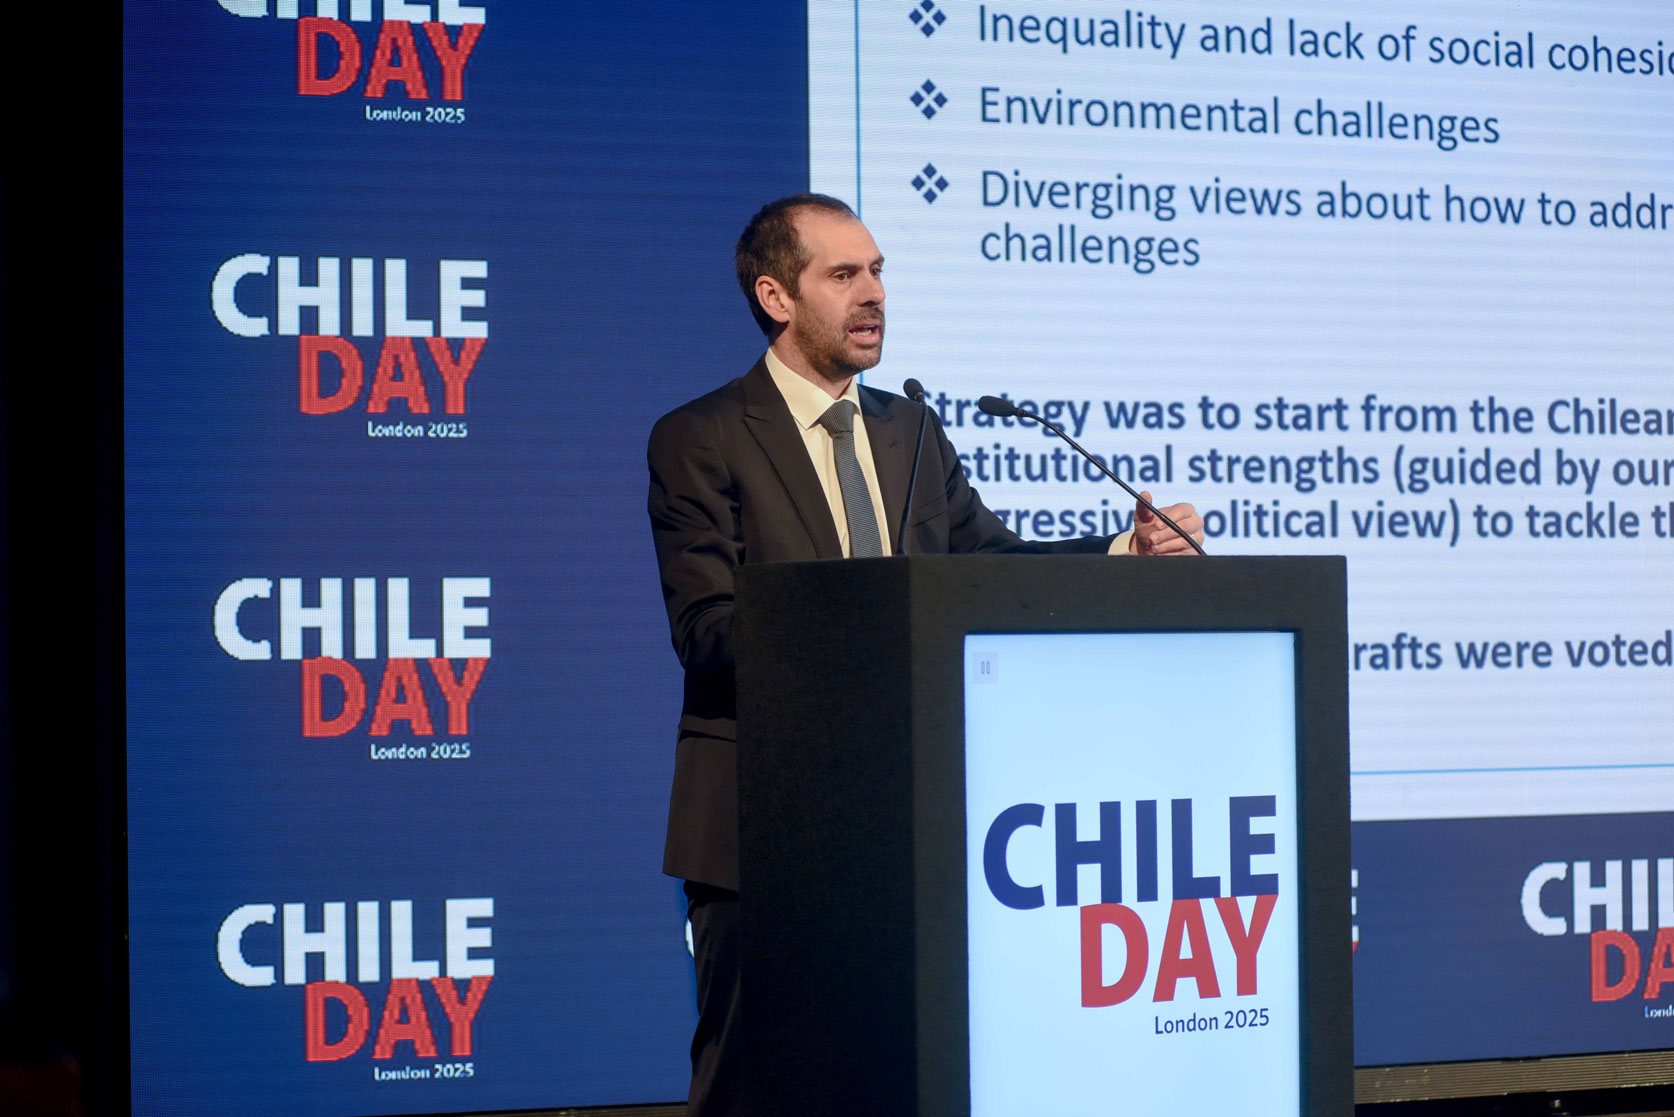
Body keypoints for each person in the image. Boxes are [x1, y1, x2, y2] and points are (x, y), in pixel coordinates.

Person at [646, 193, 1203, 1116]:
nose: (873, 294)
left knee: (901, 1076)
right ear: (777, 297)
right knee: (751, 1086)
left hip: (911, 819)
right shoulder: (702, 435)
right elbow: (706, 628)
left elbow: (990, 566)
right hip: (766, 823)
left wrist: (1123, 552)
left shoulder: (908, 431)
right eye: (843, 275)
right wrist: (873, 616)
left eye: (878, 272)